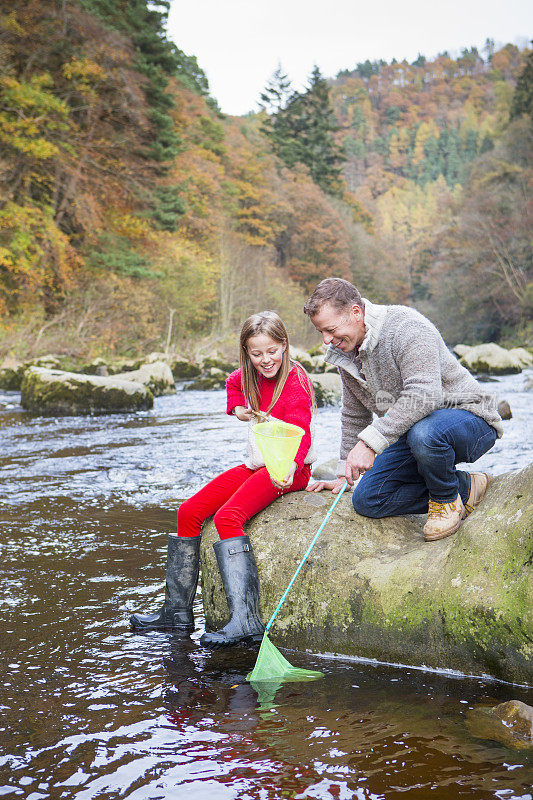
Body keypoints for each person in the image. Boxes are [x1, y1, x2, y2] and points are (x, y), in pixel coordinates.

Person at [130, 311, 316, 644]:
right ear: (246, 352)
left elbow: (300, 430)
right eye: (256, 354)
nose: (265, 360)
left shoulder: (296, 381)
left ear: (284, 345)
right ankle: (176, 614)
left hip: (288, 469)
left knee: (229, 517)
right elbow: (233, 384)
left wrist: (293, 464)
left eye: (272, 351)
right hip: (256, 464)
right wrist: (237, 409)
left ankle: (245, 620)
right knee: (189, 511)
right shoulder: (247, 375)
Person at [304, 278, 503, 541]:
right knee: (368, 499)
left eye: (330, 329)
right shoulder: (347, 353)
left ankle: (445, 501)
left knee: (426, 433)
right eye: (321, 332)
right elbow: (354, 414)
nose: (326, 340)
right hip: (414, 432)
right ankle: (466, 487)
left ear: (355, 312)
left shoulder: (407, 327)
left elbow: (424, 395)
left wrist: (371, 442)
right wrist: (344, 475)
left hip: (471, 419)